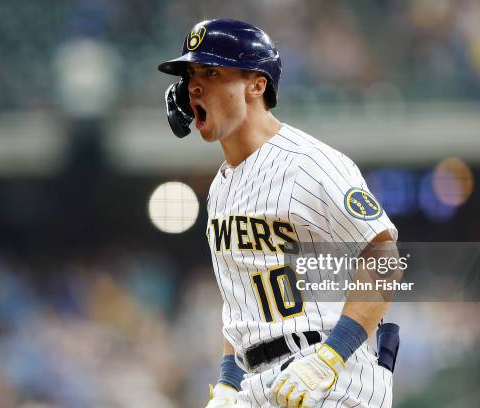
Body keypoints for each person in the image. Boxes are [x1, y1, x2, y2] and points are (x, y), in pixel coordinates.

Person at [158, 19, 400, 408]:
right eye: (190, 75)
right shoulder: (220, 188)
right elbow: (242, 303)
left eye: (211, 72)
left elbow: (385, 258)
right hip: (260, 383)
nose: (193, 86)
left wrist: (330, 358)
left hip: (331, 375)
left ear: (256, 84)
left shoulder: (310, 162)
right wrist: (227, 383)